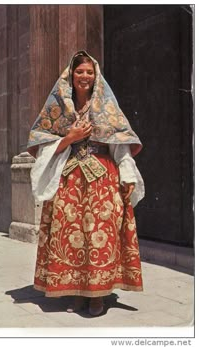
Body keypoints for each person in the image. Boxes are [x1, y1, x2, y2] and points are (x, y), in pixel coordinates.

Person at [27, 51, 145, 316]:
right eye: (79, 72)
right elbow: (41, 143)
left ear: (96, 76)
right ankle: (76, 289)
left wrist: (127, 175)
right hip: (69, 178)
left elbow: (120, 144)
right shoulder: (58, 109)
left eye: (89, 72)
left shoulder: (107, 107)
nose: (84, 76)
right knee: (71, 235)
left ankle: (97, 295)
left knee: (99, 235)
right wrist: (70, 137)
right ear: (71, 75)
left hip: (102, 178)